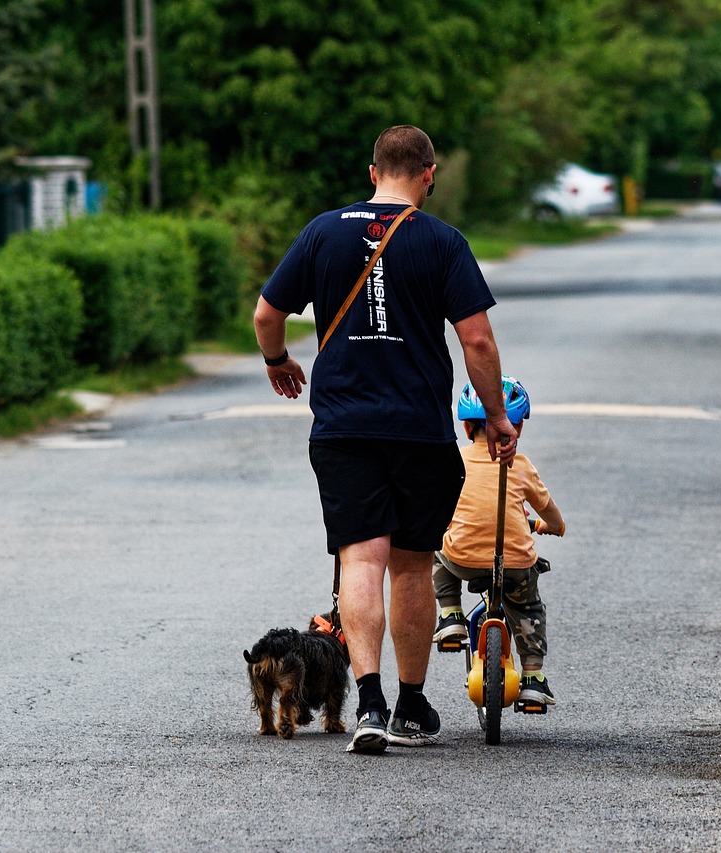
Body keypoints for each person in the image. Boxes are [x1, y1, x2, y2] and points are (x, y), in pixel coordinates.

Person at [253, 125, 518, 754]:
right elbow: (476, 341)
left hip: (344, 429)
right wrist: (497, 417)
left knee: (360, 559)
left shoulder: (322, 231)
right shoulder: (444, 242)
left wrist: (278, 361)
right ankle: (410, 703)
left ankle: (366, 702)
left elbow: (268, 315)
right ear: (428, 174)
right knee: (411, 566)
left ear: (373, 172)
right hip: (419, 432)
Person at [433, 377, 566, 705]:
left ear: (466, 427)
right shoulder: (520, 465)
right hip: (516, 565)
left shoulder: (455, 459)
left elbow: (436, 505)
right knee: (528, 607)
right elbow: (548, 511)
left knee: (436, 549)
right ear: (516, 429)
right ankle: (533, 678)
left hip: (461, 558)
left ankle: (451, 616)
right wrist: (553, 526)